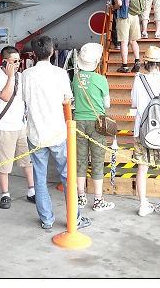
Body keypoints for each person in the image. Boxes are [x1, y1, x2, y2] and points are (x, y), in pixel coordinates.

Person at [22, 35, 91, 231]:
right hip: (57, 132)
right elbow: (67, 99)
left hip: (35, 134)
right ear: (52, 51)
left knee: (39, 178)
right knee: (67, 176)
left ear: (33, 53)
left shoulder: (26, 75)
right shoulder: (60, 74)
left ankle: (46, 219)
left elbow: (24, 99)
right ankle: (74, 218)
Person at [130, 46, 160, 218]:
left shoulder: (139, 80)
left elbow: (134, 103)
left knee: (142, 168)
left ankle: (143, 205)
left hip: (142, 130)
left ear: (145, 63)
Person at [0, 46, 36, 209]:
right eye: (14, 61)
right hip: (4, 127)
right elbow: (5, 96)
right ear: (4, 62)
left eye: (19, 61)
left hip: (21, 126)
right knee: (4, 163)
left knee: (27, 161)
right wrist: (10, 77)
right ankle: (5, 194)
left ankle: (32, 190)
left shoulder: (21, 77)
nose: (17, 64)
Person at [71, 42, 114, 212]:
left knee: (80, 160)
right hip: (97, 123)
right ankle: (97, 200)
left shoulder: (76, 78)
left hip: (78, 122)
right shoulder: (101, 79)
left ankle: (81, 197)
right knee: (97, 161)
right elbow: (107, 104)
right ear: (96, 62)